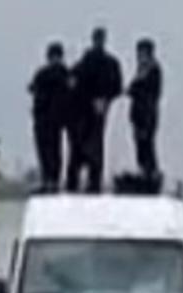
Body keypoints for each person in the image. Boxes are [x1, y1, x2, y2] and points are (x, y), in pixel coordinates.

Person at [66, 26, 124, 194]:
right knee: (78, 149)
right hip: (81, 112)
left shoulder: (109, 63)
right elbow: (71, 84)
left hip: (97, 113)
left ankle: (93, 184)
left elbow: (116, 87)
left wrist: (105, 100)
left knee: (94, 150)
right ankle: (75, 184)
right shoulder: (85, 62)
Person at [28, 42, 71, 194]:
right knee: (54, 150)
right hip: (57, 120)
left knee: (46, 151)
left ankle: (49, 180)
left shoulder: (43, 73)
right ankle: (53, 180)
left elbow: (32, 88)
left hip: (44, 119)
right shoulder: (66, 74)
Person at [128, 38, 164, 182]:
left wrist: (135, 88)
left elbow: (149, 92)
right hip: (138, 113)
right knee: (140, 145)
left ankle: (150, 173)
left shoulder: (153, 70)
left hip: (147, 114)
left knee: (147, 144)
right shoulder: (142, 70)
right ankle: (144, 170)